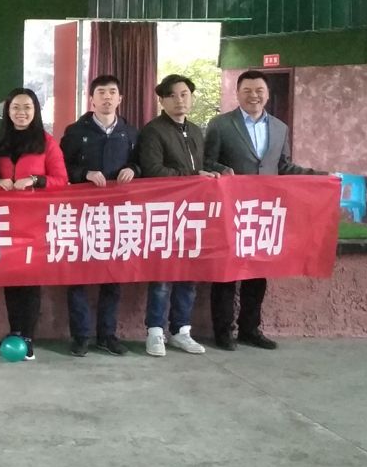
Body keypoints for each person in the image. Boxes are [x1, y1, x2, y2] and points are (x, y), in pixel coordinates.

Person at [204, 70, 320, 351]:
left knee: (258, 272)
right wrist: (222, 169)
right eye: (247, 90)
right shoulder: (220, 125)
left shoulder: (280, 128)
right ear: (237, 93)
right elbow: (205, 161)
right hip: (230, 210)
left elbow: (284, 166)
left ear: (267, 94)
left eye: (259, 91)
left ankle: (250, 329)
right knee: (227, 272)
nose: (253, 96)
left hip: (264, 211)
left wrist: (318, 176)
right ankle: (223, 331)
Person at [136, 74, 224, 357]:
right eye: (172, 95)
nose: (179, 100)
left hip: (193, 213)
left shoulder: (196, 131)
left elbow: (202, 164)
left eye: (184, 94)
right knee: (163, 275)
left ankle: (181, 331)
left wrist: (218, 171)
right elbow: (153, 170)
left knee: (189, 273)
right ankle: (155, 332)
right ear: (162, 100)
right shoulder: (153, 131)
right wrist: (193, 175)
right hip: (164, 213)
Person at [59, 75, 138, 357]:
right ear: (91, 99)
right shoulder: (74, 132)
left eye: (112, 92)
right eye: (101, 92)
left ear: (120, 99)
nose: (107, 97)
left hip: (118, 215)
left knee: (113, 275)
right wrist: (85, 174)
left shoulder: (130, 133)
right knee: (78, 276)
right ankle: (80, 336)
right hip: (82, 214)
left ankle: (107, 335)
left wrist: (133, 170)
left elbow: (141, 163)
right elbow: (61, 168)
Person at [0, 87, 68, 360]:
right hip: (4, 223)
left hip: (35, 224)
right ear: (7, 111)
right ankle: (14, 332)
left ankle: (28, 338)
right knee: (11, 280)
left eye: (27, 108)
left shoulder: (47, 143)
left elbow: (61, 180)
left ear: (35, 112)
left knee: (30, 281)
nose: (21, 113)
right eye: (15, 107)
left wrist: (35, 180)